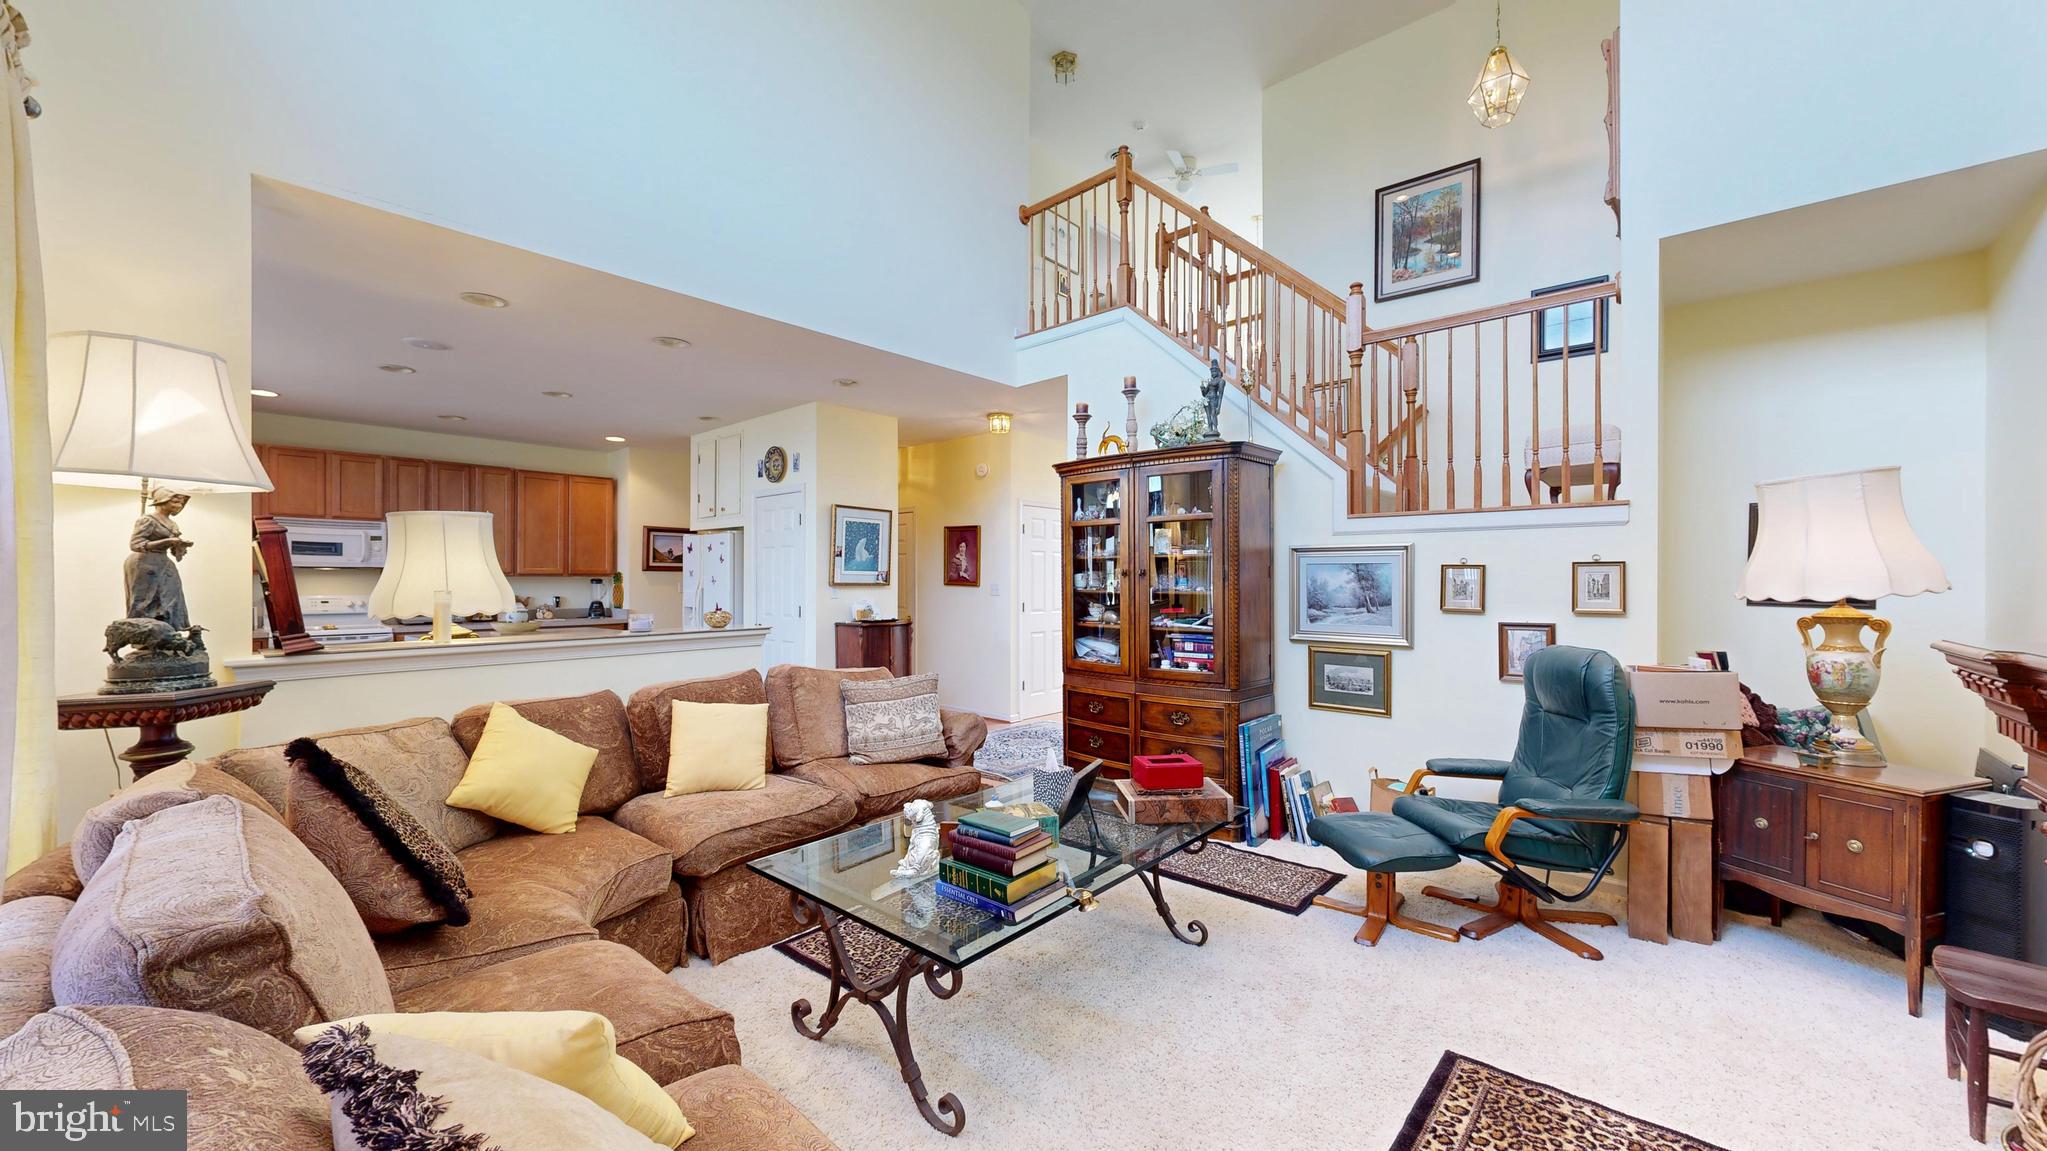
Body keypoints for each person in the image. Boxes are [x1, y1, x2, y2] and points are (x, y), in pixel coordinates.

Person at [125, 486, 194, 629]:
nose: (179, 506)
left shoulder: (172, 524)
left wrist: (179, 546)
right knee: (145, 599)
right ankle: (143, 633)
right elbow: (135, 544)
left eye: (181, 503)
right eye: (175, 502)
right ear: (163, 501)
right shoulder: (148, 520)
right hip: (144, 562)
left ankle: (167, 630)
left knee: (171, 595)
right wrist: (167, 542)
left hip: (163, 562)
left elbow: (174, 549)